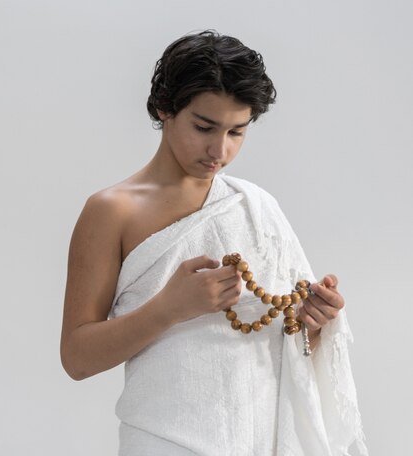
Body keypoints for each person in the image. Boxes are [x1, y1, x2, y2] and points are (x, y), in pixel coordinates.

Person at [60, 30, 366, 456]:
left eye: (237, 132)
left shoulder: (256, 206)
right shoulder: (112, 211)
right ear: (165, 108)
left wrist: (311, 322)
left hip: (260, 438)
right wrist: (168, 308)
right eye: (204, 127)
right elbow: (77, 358)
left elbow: (287, 336)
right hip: (164, 439)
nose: (219, 150)